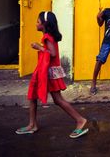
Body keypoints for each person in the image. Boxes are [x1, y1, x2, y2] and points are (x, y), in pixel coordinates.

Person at [16, 11, 88, 139]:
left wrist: (39, 47)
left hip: (49, 73)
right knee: (33, 96)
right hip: (45, 71)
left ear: (44, 24)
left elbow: (53, 53)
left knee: (57, 99)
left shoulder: (47, 37)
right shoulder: (49, 36)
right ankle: (32, 124)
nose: (36, 23)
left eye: (38, 21)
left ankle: (80, 120)